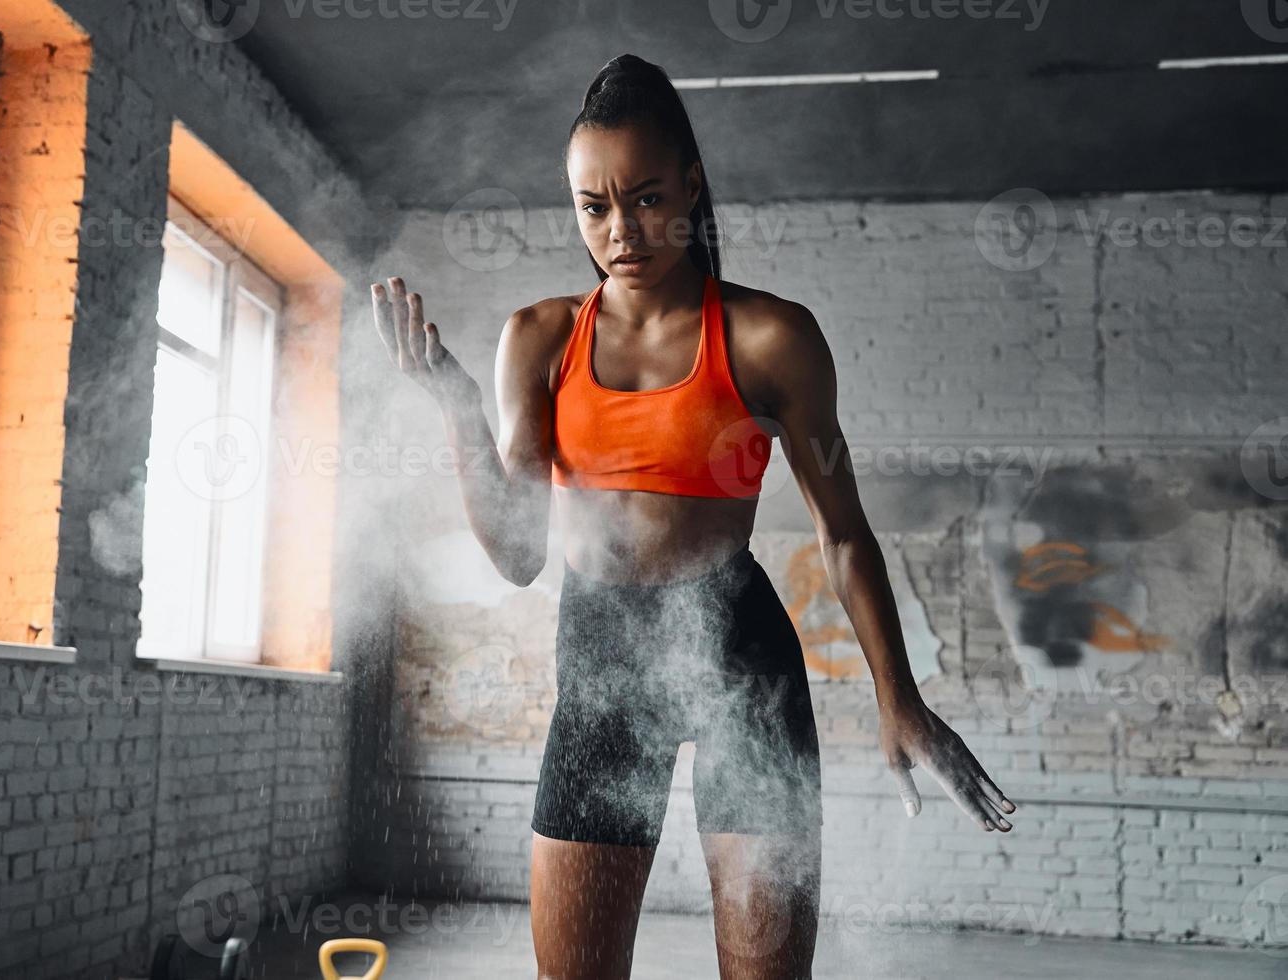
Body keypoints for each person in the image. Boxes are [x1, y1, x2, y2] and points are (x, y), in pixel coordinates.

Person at [369, 52, 1017, 980]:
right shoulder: (540, 339)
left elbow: (842, 533)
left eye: (643, 197)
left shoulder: (769, 337)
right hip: (601, 664)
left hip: (741, 660)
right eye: (594, 206)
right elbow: (517, 556)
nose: (620, 229)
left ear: (692, 186)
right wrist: (455, 402)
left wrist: (898, 697)